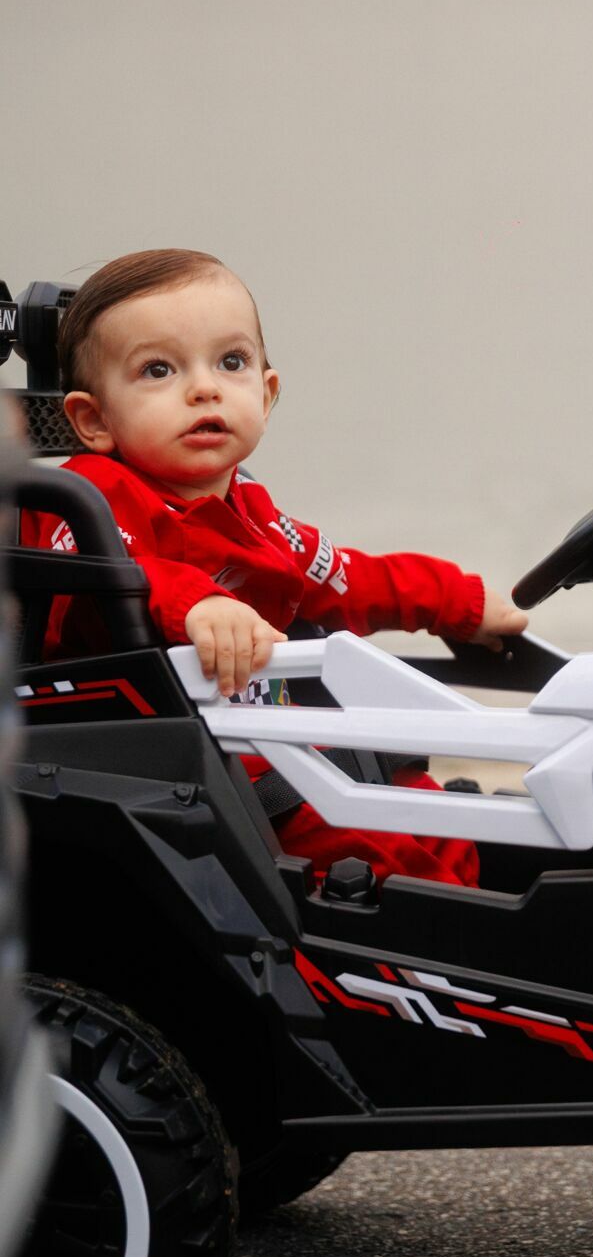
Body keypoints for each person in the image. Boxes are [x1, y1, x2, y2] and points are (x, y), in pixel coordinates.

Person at [22, 248, 528, 887]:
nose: (204, 387)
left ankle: (473, 932)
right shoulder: (90, 495)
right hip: (191, 773)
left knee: (440, 819)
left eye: (231, 362)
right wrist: (198, 603)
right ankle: (439, 936)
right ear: (94, 420)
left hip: (283, 744)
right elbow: (99, 577)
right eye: (158, 369)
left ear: (265, 394)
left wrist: (455, 600)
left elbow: (344, 576)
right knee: (388, 863)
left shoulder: (252, 508)